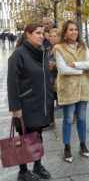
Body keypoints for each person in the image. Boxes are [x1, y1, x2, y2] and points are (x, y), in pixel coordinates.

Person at [7, 23, 53, 181]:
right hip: (26, 105)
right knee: (23, 139)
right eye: (37, 33)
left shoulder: (42, 52)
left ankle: (37, 165)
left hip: (41, 103)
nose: (41, 35)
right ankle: (23, 171)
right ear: (27, 34)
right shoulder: (18, 54)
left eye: (42, 33)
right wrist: (15, 107)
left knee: (38, 136)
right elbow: (12, 83)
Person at [53, 20, 89, 163]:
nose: (74, 32)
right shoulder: (59, 48)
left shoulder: (83, 45)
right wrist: (83, 69)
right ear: (65, 32)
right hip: (68, 89)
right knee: (68, 119)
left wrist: (76, 65)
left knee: (82, 118)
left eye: (76, 29)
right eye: (70, 30)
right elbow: (62, 69)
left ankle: (83, 145)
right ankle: (67, 147)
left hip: (83, 88)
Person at [44, 28, 61, 130]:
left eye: (55, 36)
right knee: (49, 101)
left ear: (59, 37)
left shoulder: (61, 49)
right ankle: (51, 122)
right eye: (51, 36)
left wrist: (54, 64)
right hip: (49, 78)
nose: (52, 38)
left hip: (59, 78)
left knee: (62, 100)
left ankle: (74, 116)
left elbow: (67, 63)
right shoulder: (47, 49)